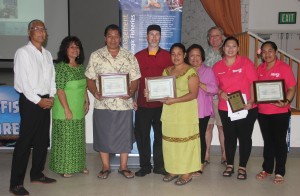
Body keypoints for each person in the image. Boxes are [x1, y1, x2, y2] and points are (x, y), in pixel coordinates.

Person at [85, 24, 141, 179]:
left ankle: (123, 167)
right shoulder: (96, 56)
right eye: (110, 36)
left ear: (120, 38)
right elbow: (89, 78)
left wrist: (130, 92)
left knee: (124, 136)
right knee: (103, 135)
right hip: (103, 104)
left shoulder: (129, 56)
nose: (113, 39)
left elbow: (135, 79)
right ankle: (105, 167)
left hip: (124, 104)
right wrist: (95, 92)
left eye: (116, 36)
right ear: (105, 38)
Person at [9, 19, 56, 196]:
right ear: (29, 32)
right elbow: (22, 82)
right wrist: (38, 101)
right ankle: (16, 184)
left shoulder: (47, 54)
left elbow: (52, 78)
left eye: (43, 29)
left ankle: (37, 174)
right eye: (37, 29)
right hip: (30, 101)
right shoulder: (22, 53)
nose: (41, 32)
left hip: (45, 100)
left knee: (42, 140)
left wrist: (50, 96)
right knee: (25, 142)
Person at [213, 36, 258, 180]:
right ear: (223, 48)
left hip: (246, 107)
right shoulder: (217, 66)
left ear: (238, 48)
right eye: (227, 46)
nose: (230, 49)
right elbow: (215, 86)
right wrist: (220, 92)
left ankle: (242, 167)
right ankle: (230, 164)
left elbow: (253, 83)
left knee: (245, 137)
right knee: (229, 137)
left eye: (233, 46)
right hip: (226, 108)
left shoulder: (246, 63)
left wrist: (251, 101)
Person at [134, 24, 172, 177]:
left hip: (162, 105)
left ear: (161, 37)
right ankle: (145, 166)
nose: (154, 37)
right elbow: (134, 81)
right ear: (147, 37)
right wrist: (133, 98)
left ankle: (159, 165)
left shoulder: (168, 56)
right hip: (143, 104)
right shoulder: (138, 56)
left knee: (160, 136)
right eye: (151, 34)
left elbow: (172, 79)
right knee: (142, 136)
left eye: (157, 34)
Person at [255, 41, 296, 184]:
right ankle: (267, 169)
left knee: (279, 142)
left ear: (276, 52)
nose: (267, 54)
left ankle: (279, 171)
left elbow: (291, 87)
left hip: (280, 111)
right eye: (264, 52)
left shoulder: (284, 68)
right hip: (263, 112)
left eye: (270, 51)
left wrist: (286, 101)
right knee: (268, 142)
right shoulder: (259, 69)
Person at [160, 43, 200, 185]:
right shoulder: (166, 71)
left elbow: (194, 94)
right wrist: (150, 94)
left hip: (185, 113)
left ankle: (186, 173)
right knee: (170, 143)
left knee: (186, 143)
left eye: (179, 54)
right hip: (169, 113)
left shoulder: (191, 72)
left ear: (184, 55)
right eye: (173, 54)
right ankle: (172, 169)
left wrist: (175, 100)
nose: (176, 57)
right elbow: (162, 92)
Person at [49, 36, 89, 178]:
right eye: (71, 46)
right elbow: (59, 89)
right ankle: (64, 167)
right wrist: (66, 109)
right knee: (65, 140)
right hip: (64, 109)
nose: (75, 49)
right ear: (65, 49)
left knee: (78, 139)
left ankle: (79, 165)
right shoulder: (61, 67)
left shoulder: (80, 67)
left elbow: (83, 87)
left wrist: (87, 101)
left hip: (78, 108)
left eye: (77, 47)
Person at [185, 44, 218, 174]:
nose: (195, 58)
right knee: (188, 137)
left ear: (202, 57)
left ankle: (200, 163)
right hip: (186, 110)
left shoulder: (208, 71)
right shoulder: (185, 70)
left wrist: (198, 83)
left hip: (202, 110)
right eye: (192, 55)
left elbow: (214, 89)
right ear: (187, 57)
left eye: (198, 55)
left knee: (200, 137)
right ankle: (188, 162)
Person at [204, 26, 226, 164]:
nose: (214, 39)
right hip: (206, 98)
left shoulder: (228, 53)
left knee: (222, 127)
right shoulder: (203, 54)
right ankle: (206, 155)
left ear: (222, 38)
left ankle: (225, 155)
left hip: (223, 98)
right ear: (208, 39)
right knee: (208, 127)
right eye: (211, 36)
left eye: (217, 36)